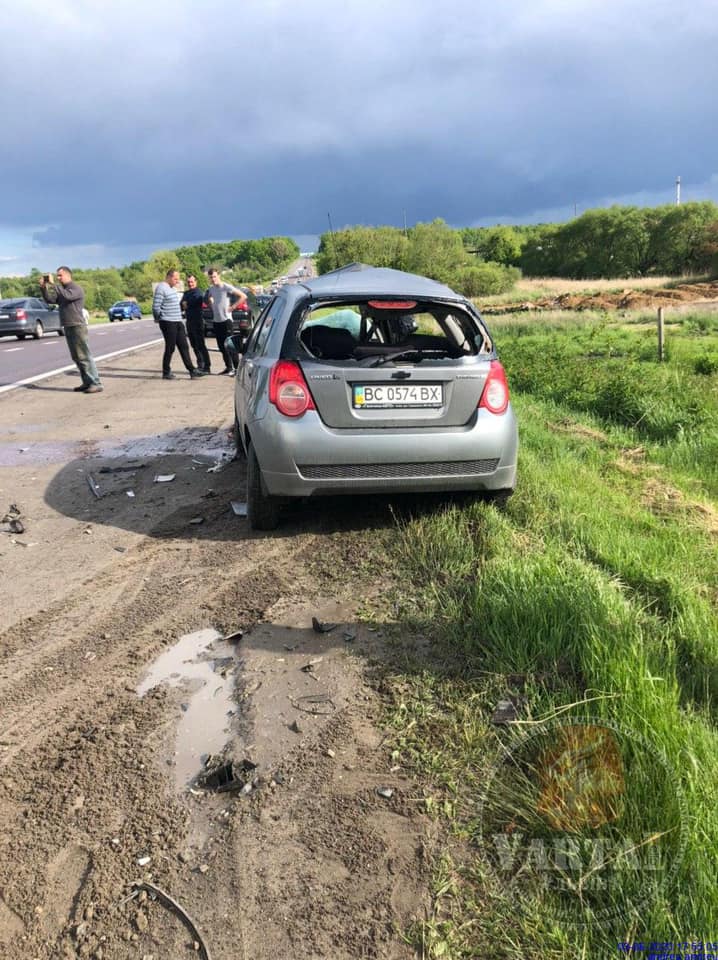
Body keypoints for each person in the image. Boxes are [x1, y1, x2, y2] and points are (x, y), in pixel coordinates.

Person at [39, 267, 103, 393]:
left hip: (77, 325)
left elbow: (67, 297)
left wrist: (53, 284)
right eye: (57, 276)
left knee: (83, 355)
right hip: (68, 325)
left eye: (60, 275)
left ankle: (96, 383)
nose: (58, 278)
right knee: (76, 357)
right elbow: (50, 300)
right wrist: (43, 288)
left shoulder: (75, 288)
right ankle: (87, 382)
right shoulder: (63, 290)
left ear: (68, 275)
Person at [152, 269, 207, 380]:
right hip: (168, 322)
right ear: (169, 277)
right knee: (170, 347)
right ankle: (166, 372)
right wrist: (159, 318)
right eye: (175, 279)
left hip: (178, 321)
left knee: (184, 346)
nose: (177, 281)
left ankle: (192, 370)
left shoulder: (172, 289)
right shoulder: (161, 288)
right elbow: (156, 307)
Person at [206, 267, 247, 375]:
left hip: (226, 320)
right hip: (217, 321)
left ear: (218, 276)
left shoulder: (225, 287)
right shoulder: (211, 289)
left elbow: (243, 296)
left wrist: (233, 307)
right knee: (221, 346)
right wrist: (211, 304)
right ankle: (228, 367)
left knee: (230, 345)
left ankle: (237, 369)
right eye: (211, 277)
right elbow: (209, 298)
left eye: (214, 276)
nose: (213, 279)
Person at [180, 274, 211, 373]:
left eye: (192, 282)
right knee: (193, 345)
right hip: (189, 321)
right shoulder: (186, 293)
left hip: (198, 321)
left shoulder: (199, 292)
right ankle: (200, 364)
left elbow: (194, 302)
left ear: (196, 282)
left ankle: (207, 366)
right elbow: (181, 305)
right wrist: (185, 304)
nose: (190, 284)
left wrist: (186, 304)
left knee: (200, 344)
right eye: (189, 282)